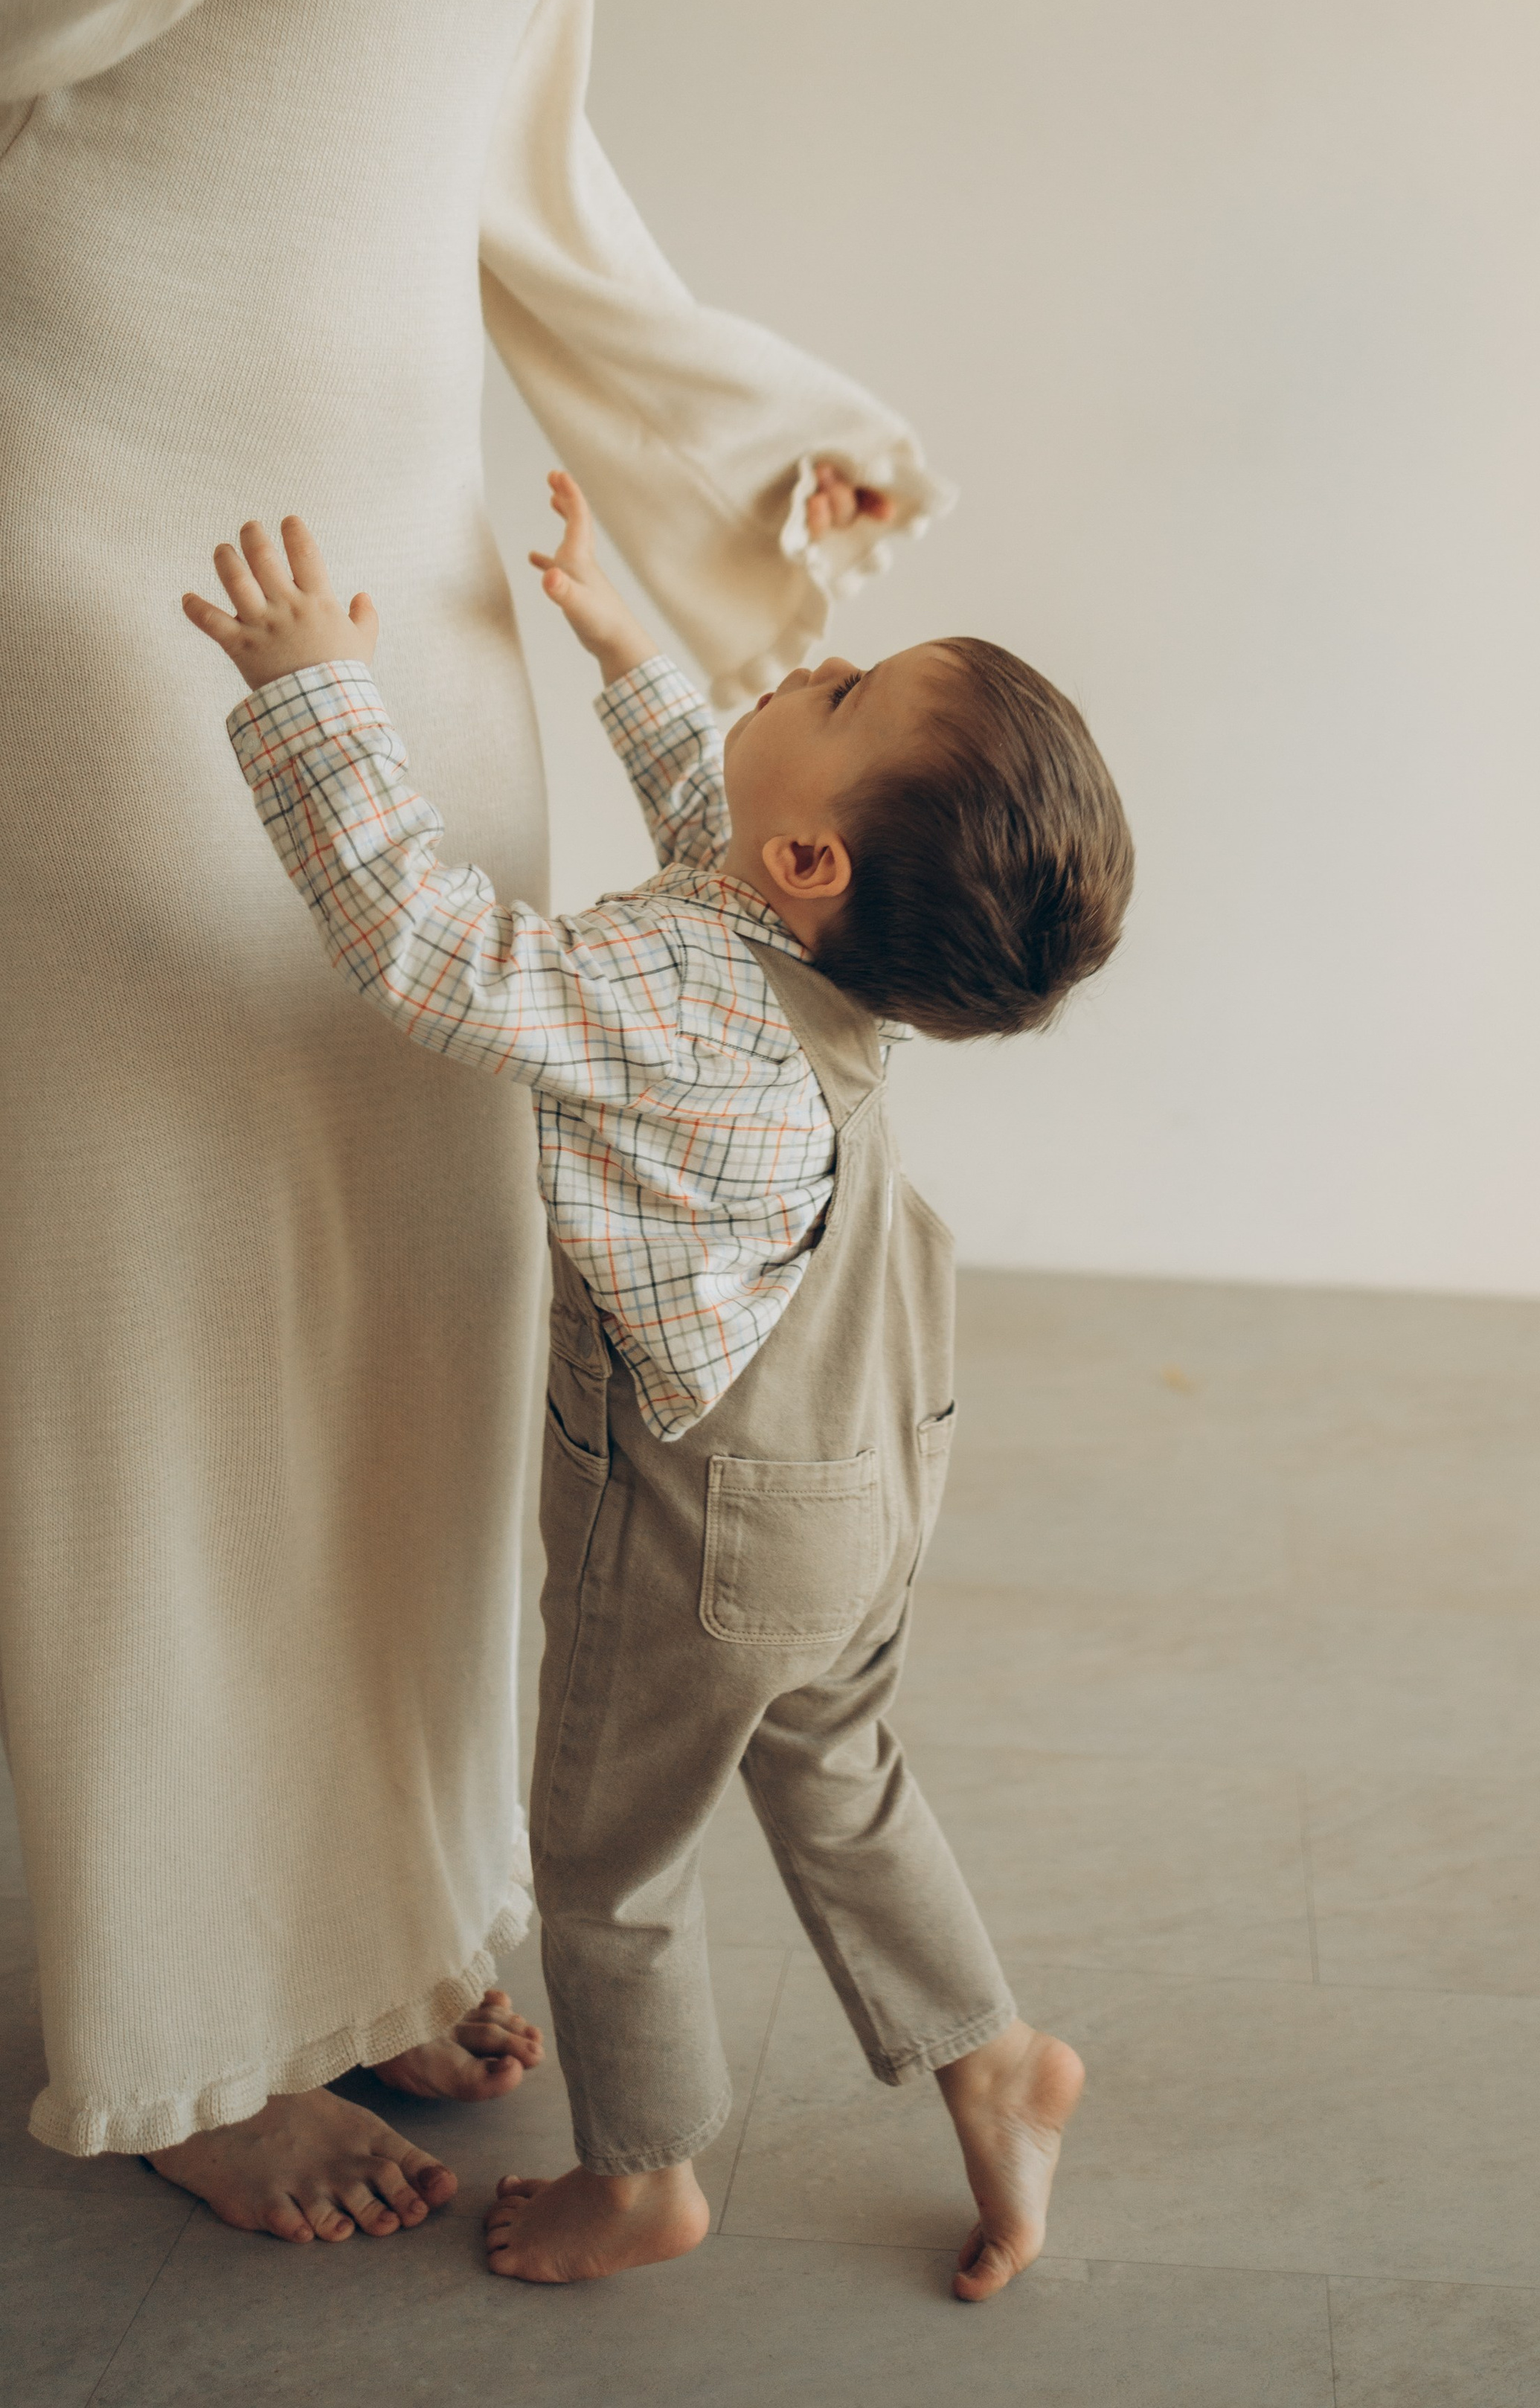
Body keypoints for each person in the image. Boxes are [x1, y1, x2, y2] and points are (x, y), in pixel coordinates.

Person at [1, 0, 952, 2241]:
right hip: (103, 513)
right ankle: (185, 2014)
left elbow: (496, 101)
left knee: (435, 1284)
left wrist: (738, 438)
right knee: (178, 1309)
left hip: (400, 542)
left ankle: (373, 1917)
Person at [181, 472, 1133, 2293]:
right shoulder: (822, 952)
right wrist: (626, 652)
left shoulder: (677, 987)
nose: (814, 663)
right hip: (868, 1465)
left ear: (813, 865)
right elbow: (732, 830)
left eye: (842, 690)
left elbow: (445, 956)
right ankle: (991, 2056)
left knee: (607, 1855)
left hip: (707, 1524)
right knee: (838, 1775)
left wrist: (311, 696)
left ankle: (645, 2176)